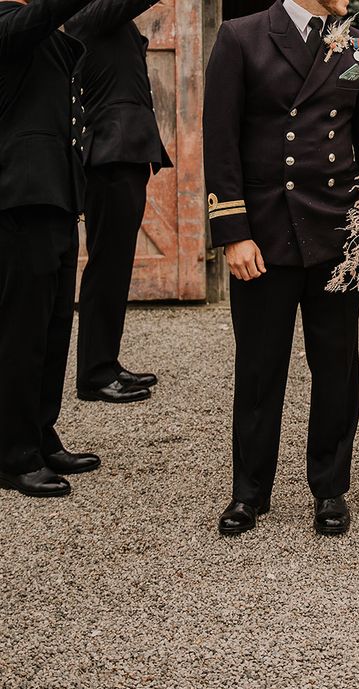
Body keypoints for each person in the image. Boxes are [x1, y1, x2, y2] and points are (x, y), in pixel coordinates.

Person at [203, 0, 359, 535]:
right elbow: (220, 141)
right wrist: (233, 232)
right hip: (263, 236)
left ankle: (331, 488)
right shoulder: (241, 37)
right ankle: (249, 493)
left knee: (335, 366)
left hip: (338, 236)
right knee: (261, 367)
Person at [0, 0, 101, 498]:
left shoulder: (39, 34)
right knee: (21, 332)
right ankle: (13, 454)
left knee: (54, 325)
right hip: (19, 199)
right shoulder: (7, 25)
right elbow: (40, 17)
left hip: (57, 196)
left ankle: (41, 434)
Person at [67, 0, 173, 404]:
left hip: (125, 153)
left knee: (114, 265)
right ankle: (93, 374)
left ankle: (105, 363)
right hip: (110, 154)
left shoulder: (104, 18)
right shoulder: (86, 15)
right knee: (105, 265)